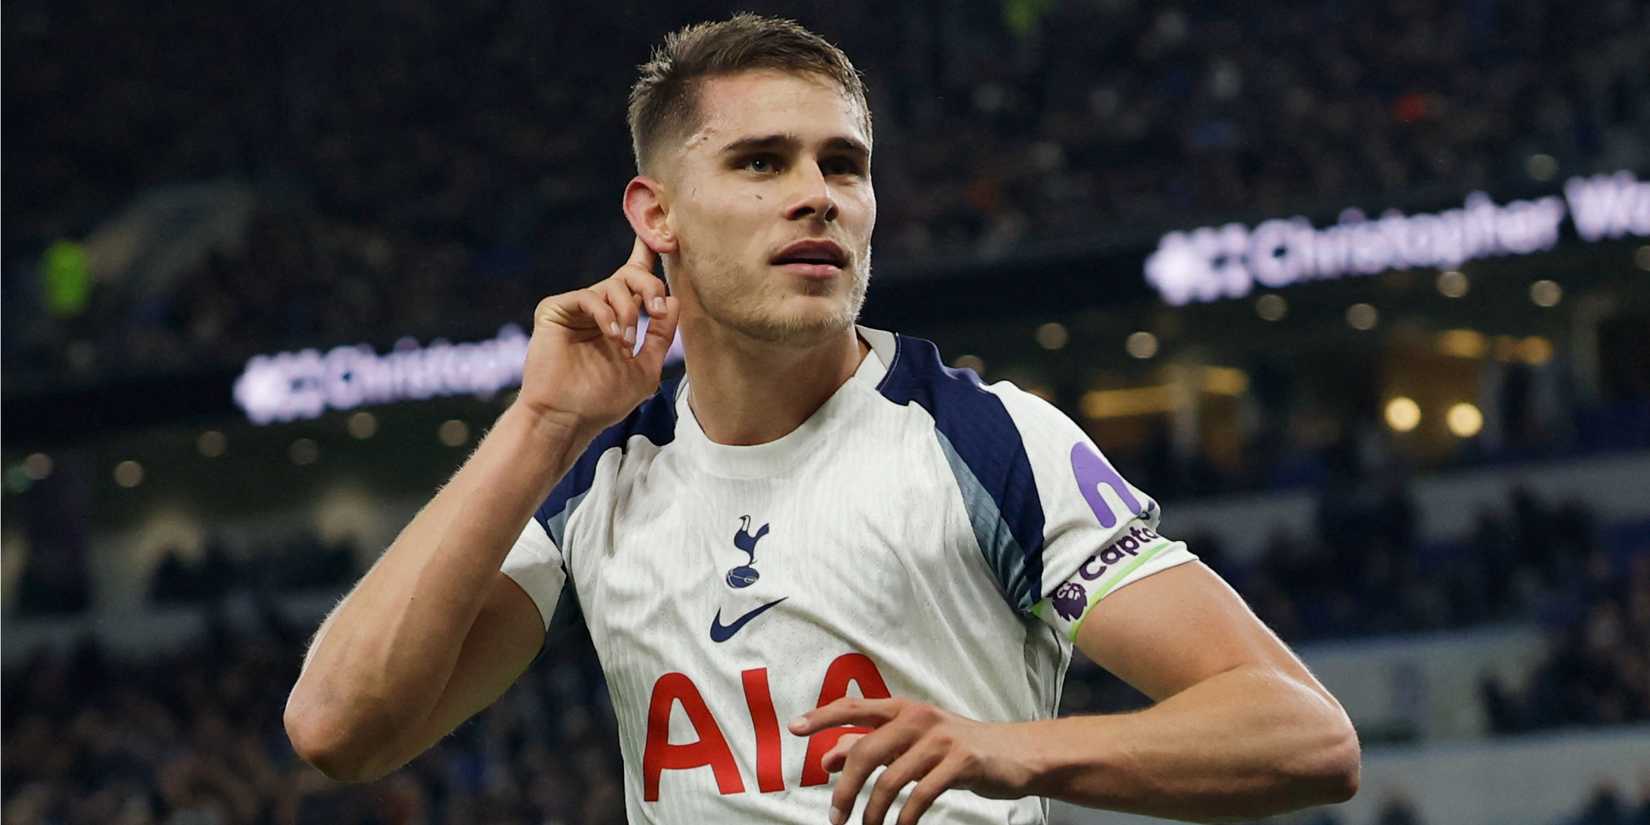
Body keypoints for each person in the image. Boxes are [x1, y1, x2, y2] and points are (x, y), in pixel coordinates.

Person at [284, 14, 1360, 825]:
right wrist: (539, 422)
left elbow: (1303, 734)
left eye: (843, 165)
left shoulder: (987, 440)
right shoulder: (591, 472)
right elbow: (340, 729)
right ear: (655, 214)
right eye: (762, 162)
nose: (820, 196)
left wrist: (1013, 751)